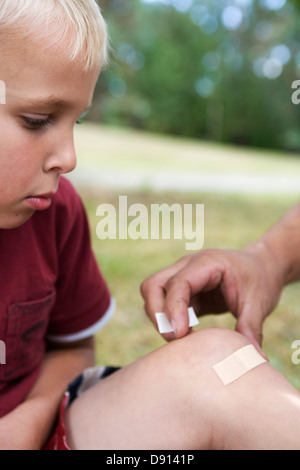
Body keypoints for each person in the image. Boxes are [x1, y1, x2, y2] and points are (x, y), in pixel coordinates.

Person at [1, 0, 300, 451]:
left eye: (76, 120)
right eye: (37, 120)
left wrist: (28, 421)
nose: (70, 158)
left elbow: (73, 349)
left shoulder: (57, 213)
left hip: (49, 434)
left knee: (219, 360)